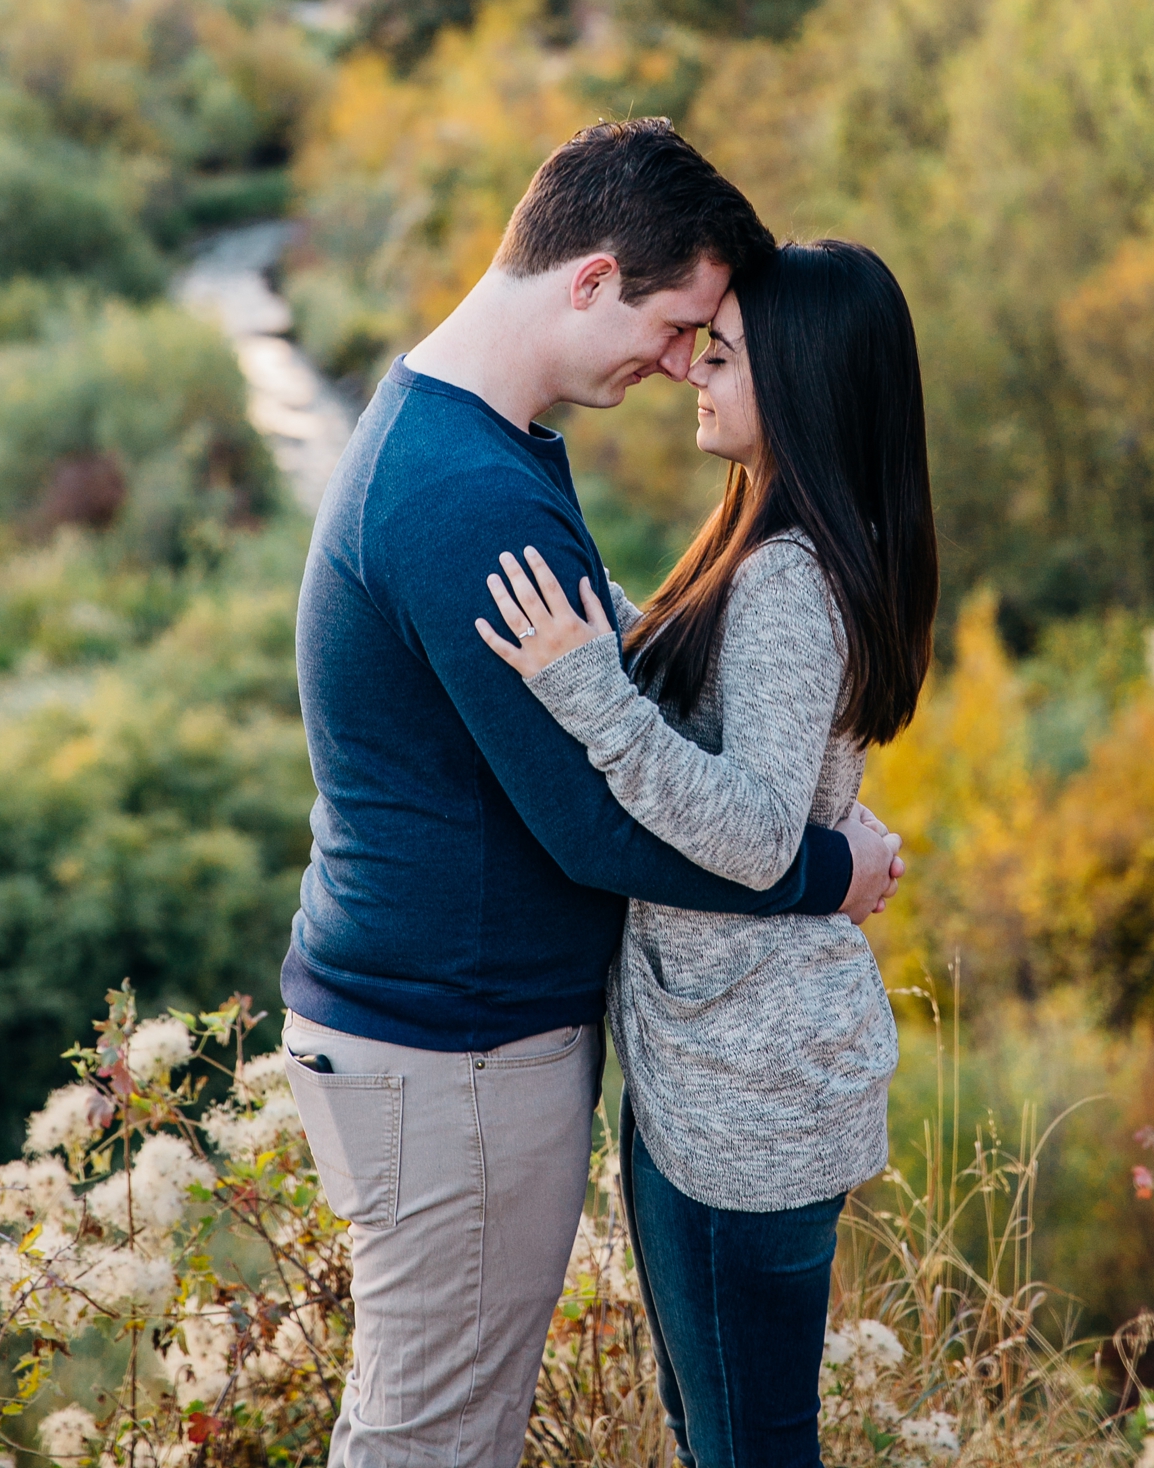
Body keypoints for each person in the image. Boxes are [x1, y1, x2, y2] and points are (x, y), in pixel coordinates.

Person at [280, 122, 904, 1468]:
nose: (682, 359)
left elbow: (619, 686)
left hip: (462, 1037)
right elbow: (590, 817)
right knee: (432, 1438)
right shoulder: (464, 493)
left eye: (712, 344)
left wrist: (617, 664)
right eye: (683, 322)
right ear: (590, 278)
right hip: (454, 1048)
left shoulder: (471, 450)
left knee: (454, 1427)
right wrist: (825, 871)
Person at [477, 237, 939, 1468]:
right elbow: (713, 702)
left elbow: (749, 828)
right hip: (720, 1070)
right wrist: (603, 622)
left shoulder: (790, 577)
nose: (692, 369)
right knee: (718, 1432)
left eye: (721, 355)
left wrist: (586, 687)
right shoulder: (779, 544)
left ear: (798, 384)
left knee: (744, 1446)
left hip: (750, 1094)